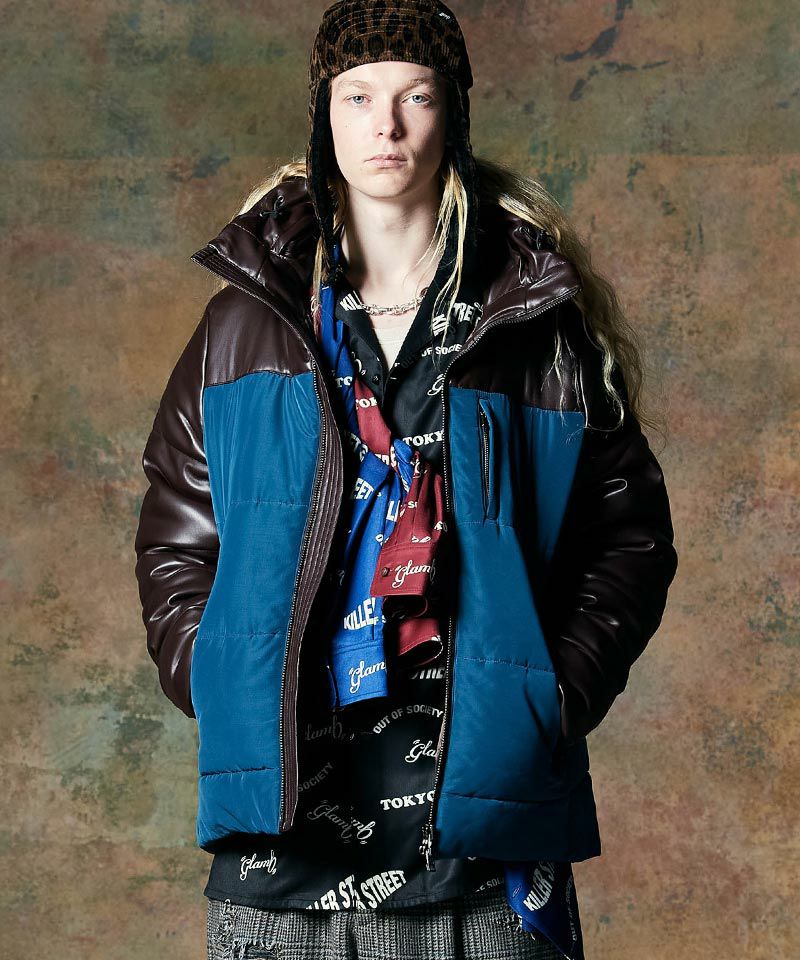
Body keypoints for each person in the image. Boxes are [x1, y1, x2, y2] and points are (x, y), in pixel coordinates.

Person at [133, 1, 679, 957]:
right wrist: (223, 686)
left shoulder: (531, 321)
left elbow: (629, 537)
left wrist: (548, 697)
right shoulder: (243, 327)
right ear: (324, 116)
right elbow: (174, 540)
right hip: (279, 851)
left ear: (451, 115)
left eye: (414, 96)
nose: (385, 126)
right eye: (358, 97)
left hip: (483, 842)